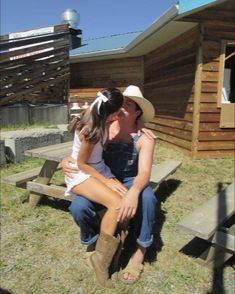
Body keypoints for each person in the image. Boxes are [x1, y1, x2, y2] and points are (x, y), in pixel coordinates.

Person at [63, 85, 157, 284]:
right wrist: (66, 160)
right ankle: (96, 246)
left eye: (128, 104)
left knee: (147, 198)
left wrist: (134, 192)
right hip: (99, 176)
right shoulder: (106, 124)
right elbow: (83, 149)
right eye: (121, 103)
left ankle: (139, 251)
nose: (122, 107)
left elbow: (144, 173)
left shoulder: (143, 136)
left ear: (137, 112)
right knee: (79, 206)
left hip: (126, 178)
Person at [65, 87, 127, 289]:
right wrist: (107, 181)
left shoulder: (100, 115)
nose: (119, 116)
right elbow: (82, 163)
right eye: (117, 113)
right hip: (82, 173)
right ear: (108, 112)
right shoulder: (91, 128)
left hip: (98, 168)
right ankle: (102, 261)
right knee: (116, 205)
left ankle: (109, 253)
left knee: (124, 199)